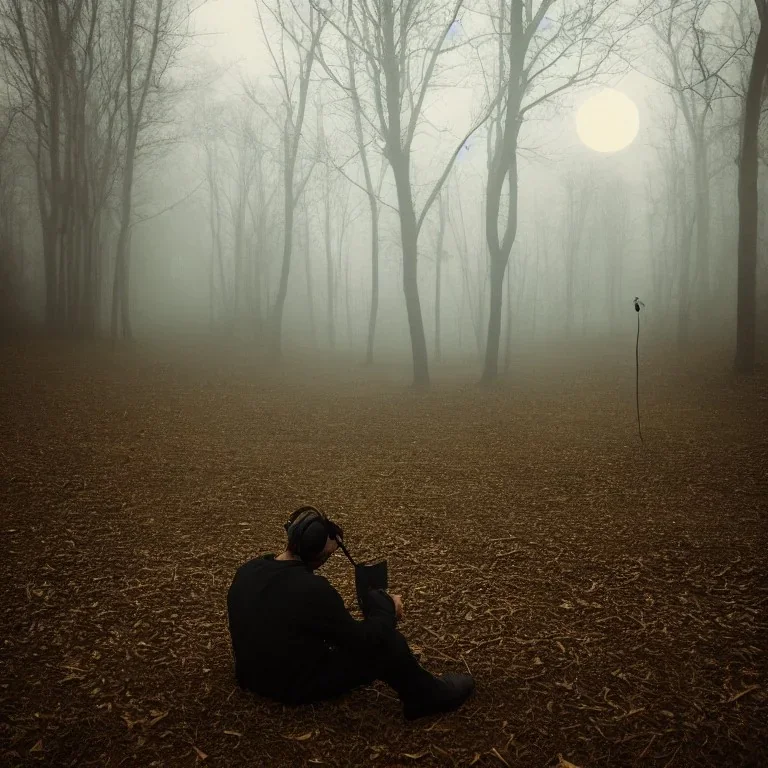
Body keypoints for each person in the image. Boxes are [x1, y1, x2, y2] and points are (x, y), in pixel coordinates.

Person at [226, 505, 475, 720]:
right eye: (328, 554)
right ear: (319, 550)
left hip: (251, 676)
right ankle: (426, 697)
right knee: (387, 643)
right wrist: (386, 609)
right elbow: (362, 642)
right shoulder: (313, 590)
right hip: (291, 686)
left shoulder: (249, 570)